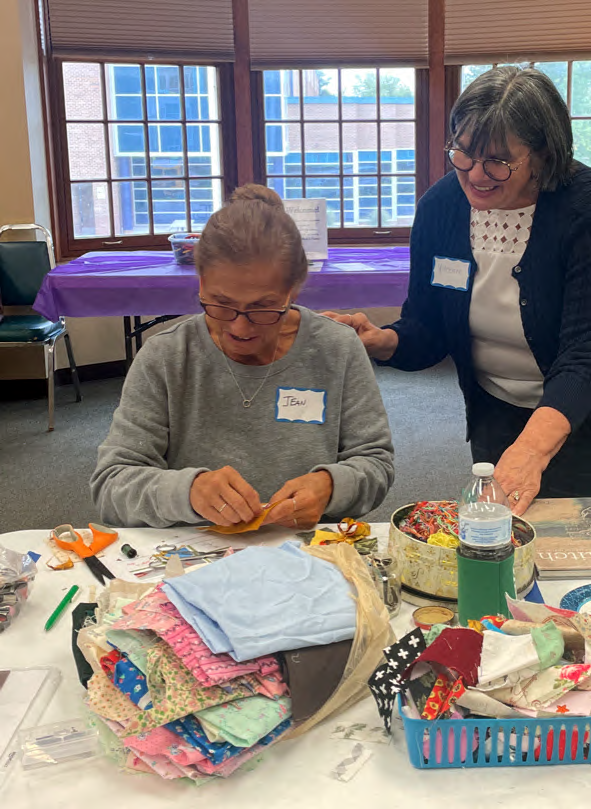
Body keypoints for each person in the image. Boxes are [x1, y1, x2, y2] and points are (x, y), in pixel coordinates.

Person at [325, 66, 591, 517]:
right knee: (506, 537)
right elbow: (428, 327)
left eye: (497, 162)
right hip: (493, 408)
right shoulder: (442, 208)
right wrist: (382, 341)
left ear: (543, 155)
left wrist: (532, 449)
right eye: (462, 153)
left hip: (577, 416)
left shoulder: (581, 210)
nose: (474, 174)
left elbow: (583, 354)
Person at [90, 185, 395, 529]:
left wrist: (331, 485)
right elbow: (111, 485)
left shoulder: (336, 348)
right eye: (221, 304)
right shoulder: (167, 356)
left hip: (309, 553)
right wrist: (188, 491)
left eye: (262, 307)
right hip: (193, 557)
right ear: (201, 284)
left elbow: (375, 463)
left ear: (292, 290)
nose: (239, 327)